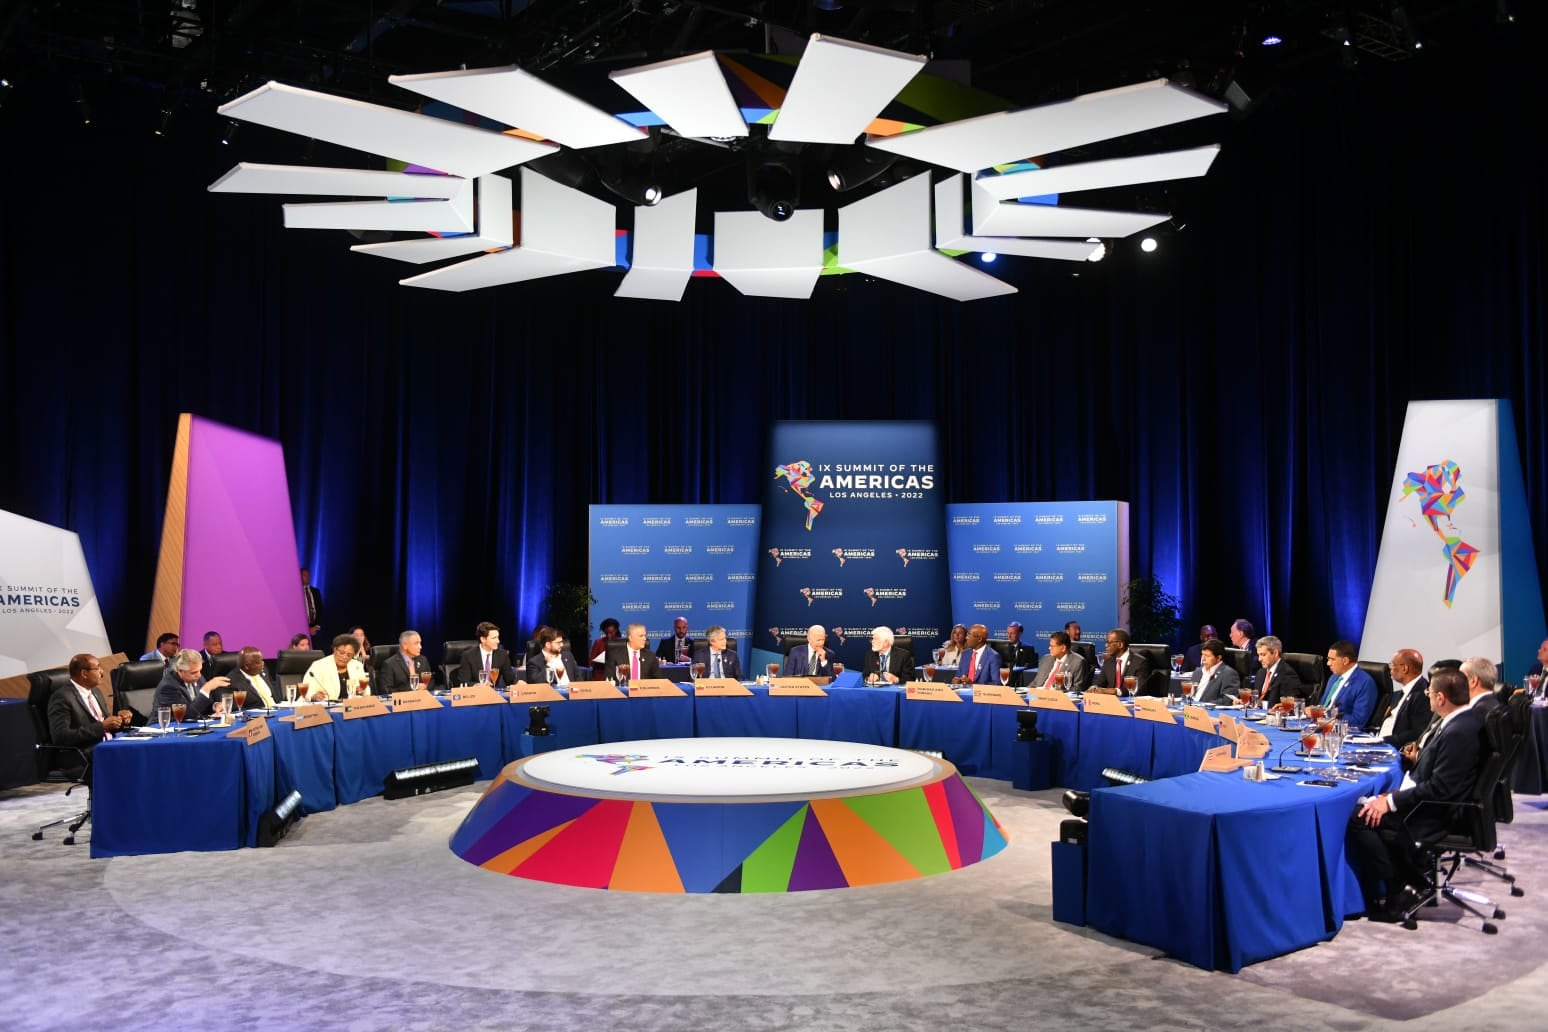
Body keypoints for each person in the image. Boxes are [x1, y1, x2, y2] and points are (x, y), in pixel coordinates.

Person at [1347, 670, 1485, 921]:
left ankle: (1400, 886)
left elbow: (1440, 789)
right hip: (1430, 799)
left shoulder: (1459, 731)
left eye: (1429, 693)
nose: (1428, 697)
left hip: (1437, 813)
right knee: (1369, 806)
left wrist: (1389, 802)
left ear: (1441, 698)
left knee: (1360, 817)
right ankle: (1408, 879)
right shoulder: (1458, 721)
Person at [48, 655, 134, 775]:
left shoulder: (95, 692)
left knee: (141, 751)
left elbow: (105, 722)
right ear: (84, 673)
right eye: (97, 668)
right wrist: (102, 727)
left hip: (107, 746)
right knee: (133, 760)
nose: (102, 672)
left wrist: (119, 719)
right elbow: (61, 737)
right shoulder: (61, 697)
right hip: (81, 754)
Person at [152, 648, 233, 718]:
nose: (199, 675)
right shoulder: (169, 687)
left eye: (200, 670)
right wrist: (206, 688)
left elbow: (201, 704)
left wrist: (214, 706)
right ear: (180, 670)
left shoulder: (198, 677)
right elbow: (188, 714)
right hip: (162, 729)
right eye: (193, 672)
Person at [1377, 649, 1431, 748]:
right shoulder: (1403, 691)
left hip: (1393, 749)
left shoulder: (1422, 694)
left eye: (1392, 664)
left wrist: (1383, 741)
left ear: (1405, 668)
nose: (1390, 668)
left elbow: (1418, 731)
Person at [1321, 640, 1378, 728]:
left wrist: (1325, 714)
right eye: (1328, 659)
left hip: (1341, 732)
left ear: (1345, 660)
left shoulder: (1365, 682)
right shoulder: (1334, 677)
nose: (1328, 664)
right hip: (1321, 725)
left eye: (1332, 660)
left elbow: (1358, 721)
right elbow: (1323, 706)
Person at [301, 635, 369, 702]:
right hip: (325, 707)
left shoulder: (357, 665)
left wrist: (362, 691)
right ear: (334, 649)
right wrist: (313, 696)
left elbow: (366, 688)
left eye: (349, 655)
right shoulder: (319, 665)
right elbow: (307, 689)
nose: (344, 657)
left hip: (351, 706)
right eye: (341, 653)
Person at [1089, 628, 1150, 696]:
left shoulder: (1139, 662)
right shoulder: (1108, 662)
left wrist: (1116, 691)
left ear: (1120, 644)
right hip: (1109, 702)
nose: (1106, 645)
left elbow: (1139, 689)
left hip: (1130, 702)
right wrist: (1095, 687)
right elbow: (1099, 683)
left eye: (1109, 642)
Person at [457, 622, 519, 687]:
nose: (498, 641)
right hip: (476, 694)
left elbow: (510, 679)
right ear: (483, 639)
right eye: (494, 638)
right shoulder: (468, 656)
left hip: (494, 694)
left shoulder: (502, 655)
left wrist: (517, 683)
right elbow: (464, 681)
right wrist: (477, 685)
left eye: (498, 637)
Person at [378, 630, 434, 694]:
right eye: (416, 643)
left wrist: (425, 686)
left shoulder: (423, 659)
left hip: (423, 699)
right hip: (403, 702)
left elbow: (431, 681)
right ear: (405, 645)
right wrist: (412, 688)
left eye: (420, 643)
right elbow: (386, 690)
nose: (420, 647)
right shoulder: (389, 664)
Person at [1254, 635, 1303, 706]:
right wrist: (1245, 702)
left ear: (1275, 653)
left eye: (1263, 655)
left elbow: (1288, 705)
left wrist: (1260, 704)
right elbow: (1256, 697)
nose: (1259, 659)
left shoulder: (1287, 674)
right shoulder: (1261, 672)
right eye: (1258, 655)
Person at [1188, 638, 1240, 704]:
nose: (1203, 659)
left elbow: (1227, 700)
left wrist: (1203, 705)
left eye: (1207, 656)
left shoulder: (1229, 674)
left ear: (1218, 658)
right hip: (1191, 710)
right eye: (1202, 655)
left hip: (1209, 712)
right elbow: (1188, 695)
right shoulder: (1198, 671)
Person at [300, 566, 322, 638]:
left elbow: (320, 611)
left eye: (308, 575)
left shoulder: (316, 591)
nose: (307, 577)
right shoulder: (296, 592)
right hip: (301, 629)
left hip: (315, 630)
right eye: (305, 575)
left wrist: (317, 627)